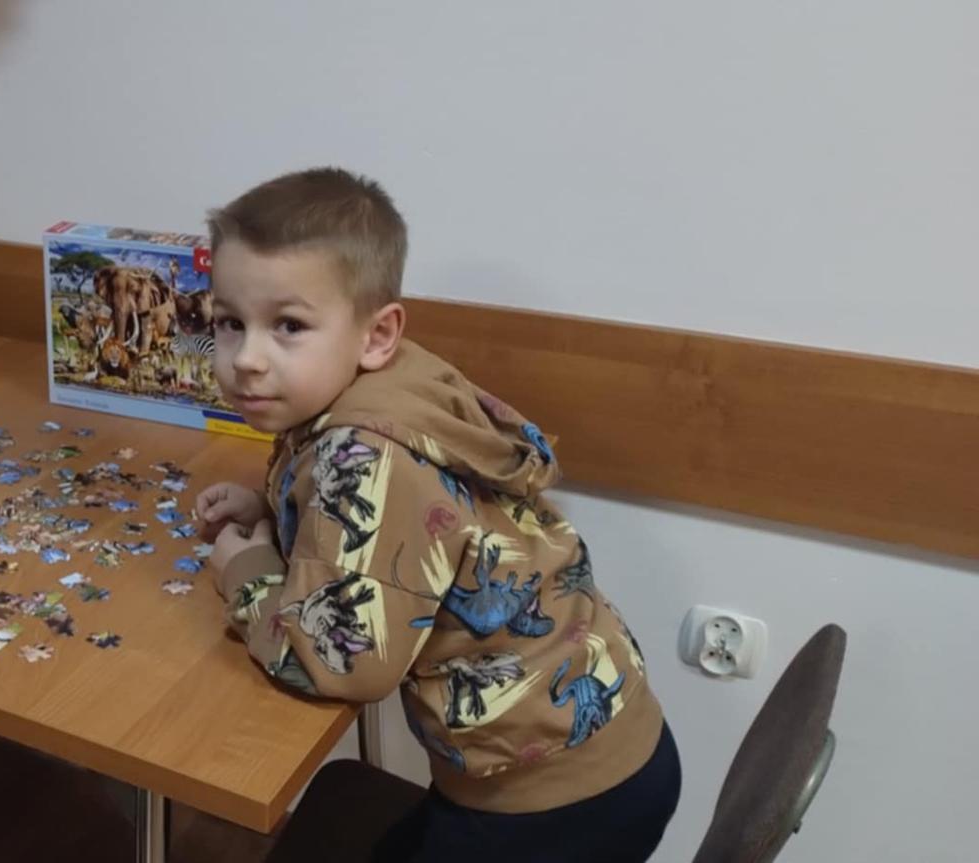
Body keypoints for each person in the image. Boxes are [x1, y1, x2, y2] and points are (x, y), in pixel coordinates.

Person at [195, 167, 679, 861]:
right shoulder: (396, 384)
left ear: (377, 334)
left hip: (549, 801)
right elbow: (363, 510)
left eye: (289, 326)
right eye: (229, 323)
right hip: (603, 751)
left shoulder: (366, 451)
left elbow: (341, 664)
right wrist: (280, 509)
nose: (246, 359)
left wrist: (246, 571)